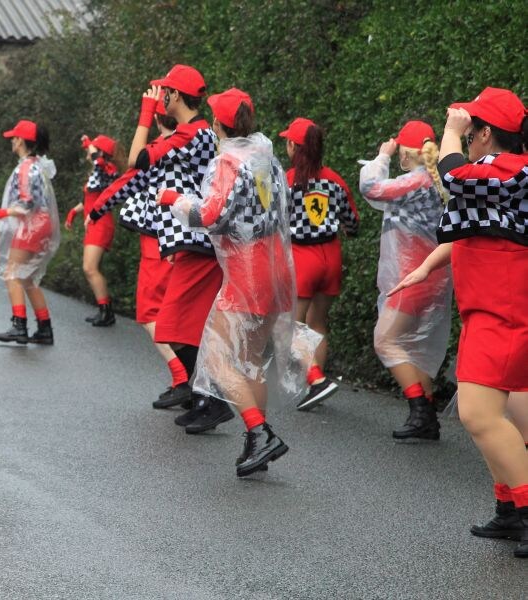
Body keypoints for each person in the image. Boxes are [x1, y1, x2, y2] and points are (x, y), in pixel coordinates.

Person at [389, 87, 527, 558]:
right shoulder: (501, 174)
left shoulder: (507, 168)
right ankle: (510, 509)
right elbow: (478, 225)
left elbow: (452, 175)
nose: (464, 139)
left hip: (503, 310)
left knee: (478, 413)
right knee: (506, 415)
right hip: (492, 307)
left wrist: (449, 130)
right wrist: (428, 265)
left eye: (471, 132)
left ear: (486, 134)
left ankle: (525, 507)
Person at [159, 88, 316, 476]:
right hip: (275, 263)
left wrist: (175, 200)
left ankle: (260, 433)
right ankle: (255, 443)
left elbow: (211, 215)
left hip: (247, 270)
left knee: (216, 360)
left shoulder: (229, 161)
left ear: (218, 124)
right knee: (248, 363)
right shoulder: (266, 157)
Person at [92, 65, 226, 433]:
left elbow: (136, 160)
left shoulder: (193, 134)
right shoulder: (192, 133)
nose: (160, 97)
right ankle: (205, 398)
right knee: (183, 327)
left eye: (164, 92)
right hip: (188, 239)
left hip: (197, 238)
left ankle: (211, 398)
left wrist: (145, 113)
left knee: (170, 325)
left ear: (176, 97)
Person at [89, 99, 192, 408]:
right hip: (190, 239)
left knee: (149, 312)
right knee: (181, 315)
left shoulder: (159, 149)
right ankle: (192, 382)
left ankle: (183, 377)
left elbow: (127, 181)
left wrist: (96, 209)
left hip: (158, 241)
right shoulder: (197, 143)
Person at [359, 120, 452, 439]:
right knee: (415, 347)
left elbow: (372, 189)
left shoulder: (418, 182)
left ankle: (420, 410)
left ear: (406, 152)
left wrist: (381, 157)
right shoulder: (436, 183)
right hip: (431, 278)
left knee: (384, 339)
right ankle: (426, 416)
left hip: (411, 278)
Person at [279, 117, 359, 410]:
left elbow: (273, 222)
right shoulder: (335, 180)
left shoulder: (287, 181)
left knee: (291, 325)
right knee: (317, 323)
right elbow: (352, 222)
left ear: (292, 146)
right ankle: (317, 386)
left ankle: (315, 379)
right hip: (331, 255)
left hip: (303, 257)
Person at [0, 119, 59, 345]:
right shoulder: (37, 165)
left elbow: (26, 204)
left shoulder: (25, 168)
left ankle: (19, 325)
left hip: (32, 225)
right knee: (28, 278)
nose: (11, 141)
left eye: (14, 137)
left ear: (20, 141)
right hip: (42, 224)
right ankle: (44, 327)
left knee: (12, 274)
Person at [65, 134, 122, 326]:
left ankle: (107, 311)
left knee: (89, 268)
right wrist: (74, 211)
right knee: (91, 268)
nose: (87, 154)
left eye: (91, 152)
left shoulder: (107, 170)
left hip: (101, 222)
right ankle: (104, 309)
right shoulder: (97, 171)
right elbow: (89, 198)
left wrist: (92, 147)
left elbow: (100, 166)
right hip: (94, 223)